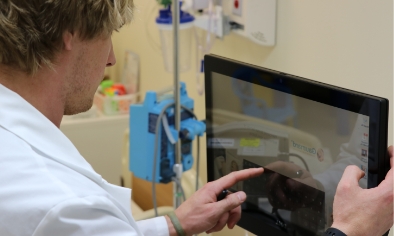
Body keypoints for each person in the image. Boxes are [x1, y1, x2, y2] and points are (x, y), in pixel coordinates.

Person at [0, 1, 392, 236]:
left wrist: (174, 223)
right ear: (70, 32)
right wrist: (352, 231)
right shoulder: (67, 207)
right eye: (107, 34)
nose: (111, 59)